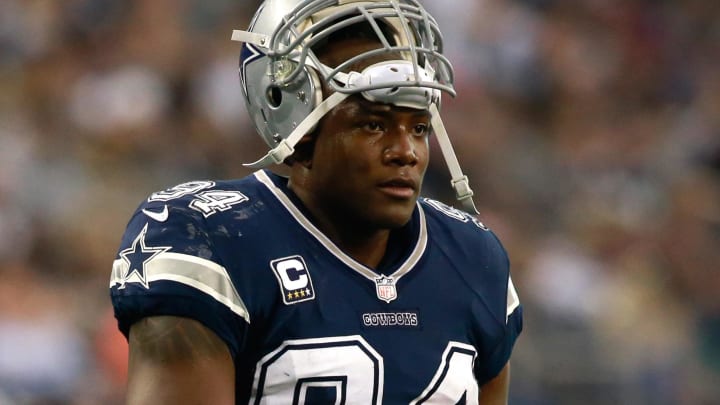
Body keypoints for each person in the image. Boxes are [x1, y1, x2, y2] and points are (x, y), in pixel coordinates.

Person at [109, 0, 522, 403]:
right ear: (294, 119)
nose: (406, 151)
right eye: (373, 124)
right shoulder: (211, 237)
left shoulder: (471, 256)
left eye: (418, 127)